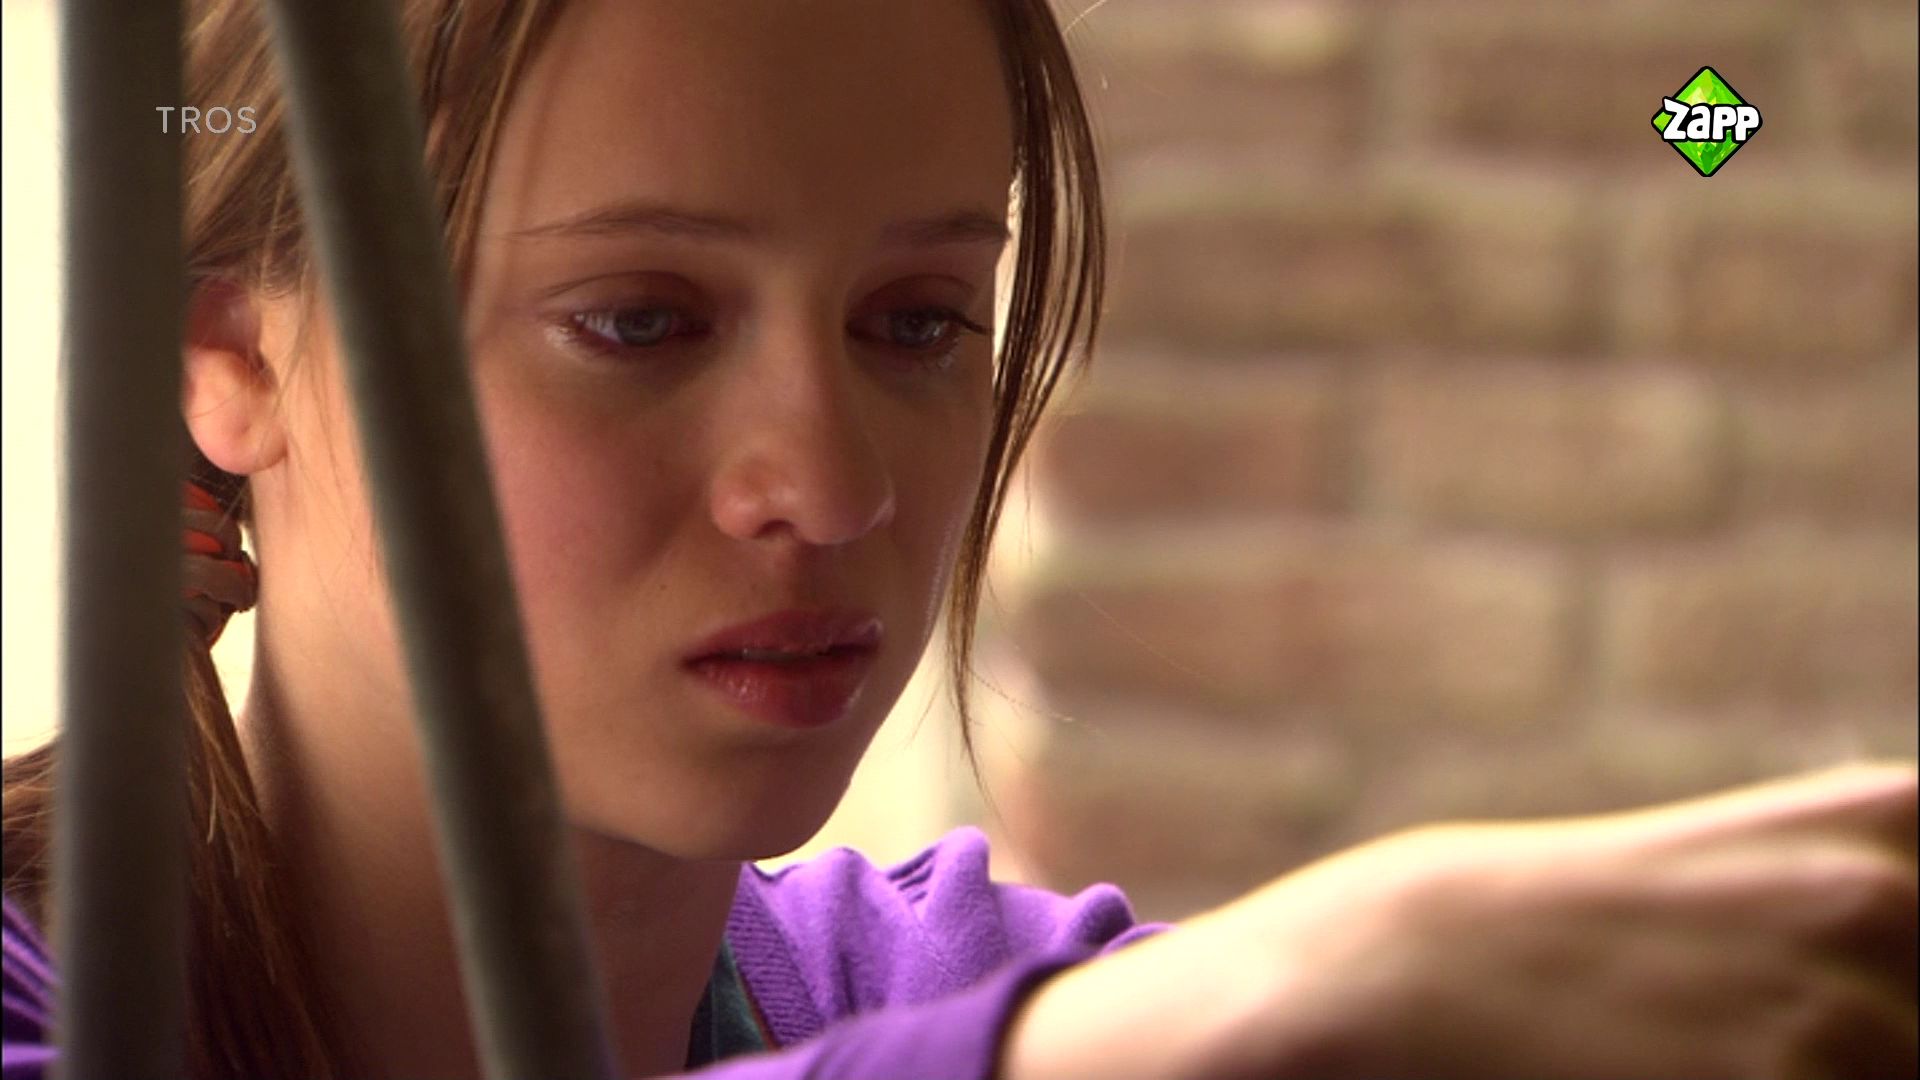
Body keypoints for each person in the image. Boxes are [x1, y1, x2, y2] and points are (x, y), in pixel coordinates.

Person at [3, 1, 1915, 1078]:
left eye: (918, 321)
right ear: (229, 362)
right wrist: (1239, 1017)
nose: (831, 489)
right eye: (640, 321)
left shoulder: (936, 986)